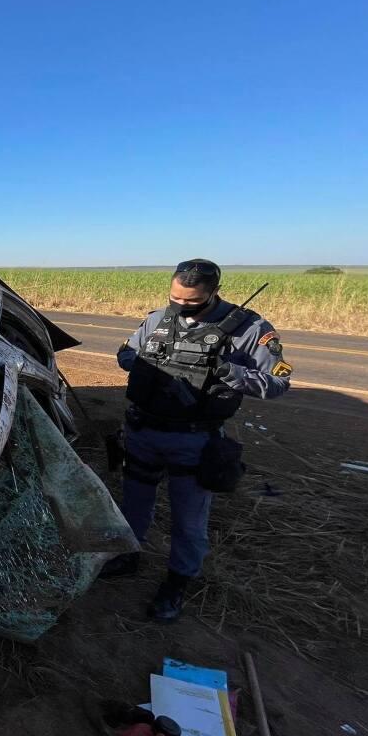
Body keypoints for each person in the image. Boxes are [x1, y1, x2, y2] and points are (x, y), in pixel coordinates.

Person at [100, 259, 292, 622]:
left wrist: (228, 372)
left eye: (192, 301)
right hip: (143, 431)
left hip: (194, 440)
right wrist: (142, 363)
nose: (181, 306)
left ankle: (177, 582)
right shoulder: (157, 318)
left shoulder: (250, 329)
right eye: (175, 298)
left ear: (213, 293)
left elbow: (279, 383)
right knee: (133, 502)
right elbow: (126, 354)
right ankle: (128, 553)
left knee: (188, 519)